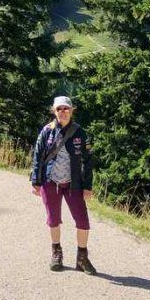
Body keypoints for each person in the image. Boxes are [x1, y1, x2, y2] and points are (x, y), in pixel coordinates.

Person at [30, 95, 96, 273]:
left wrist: (88, 186)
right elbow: (37, 156)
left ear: (72, 110)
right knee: (53, 219)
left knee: (83, 220)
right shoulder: (47, 131)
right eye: (59, 109)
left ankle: (82, 258)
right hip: (50, 182)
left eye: (66, 108)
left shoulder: (80, 132)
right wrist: (35, 181)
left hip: (73, 184)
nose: (63, 112)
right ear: (54, 111)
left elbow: (88, 160)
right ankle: (56, 253)